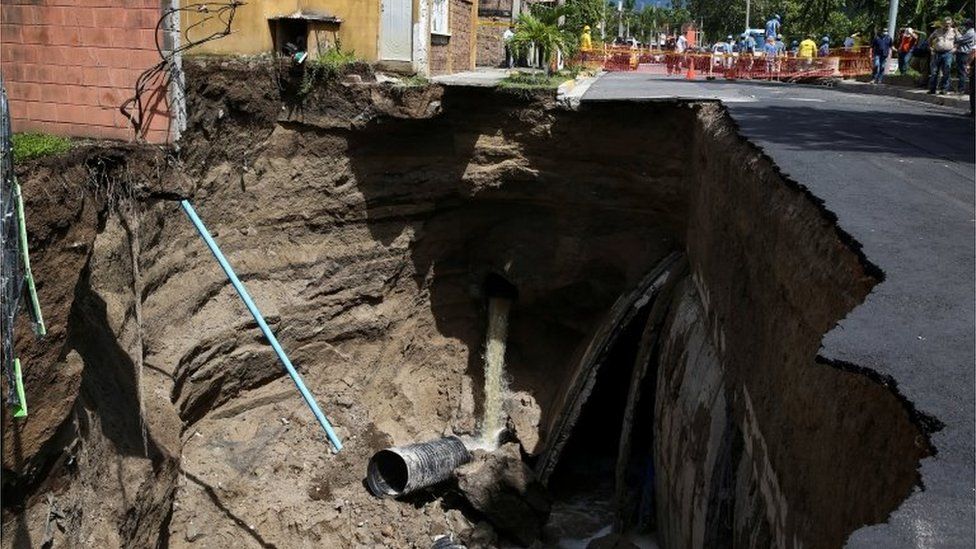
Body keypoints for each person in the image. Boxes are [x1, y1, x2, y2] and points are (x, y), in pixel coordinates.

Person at [928, 17, 960, 94]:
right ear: (943, 23)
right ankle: (932, 89)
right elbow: (930, 39)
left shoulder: (954, 31)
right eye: (945, 23)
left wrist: (955, 48)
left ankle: (944, 89)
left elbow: (960, 40)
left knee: (946, 71)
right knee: (934, 72)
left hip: (948, 53)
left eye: (949, 23)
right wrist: (930, 48)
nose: (947, 25)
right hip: (937, 53)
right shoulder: (937, 31)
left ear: (951, 23)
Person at [954, 19, 974, 93]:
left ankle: (961, 89)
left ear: (968, 25)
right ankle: (961, 88)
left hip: (964, 54)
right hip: (964, 54)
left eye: (965, 25)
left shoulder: (970, 33)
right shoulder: (969, 32)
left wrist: (956, 32)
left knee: (962, 72)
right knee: (962, 71)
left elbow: (959, 40)